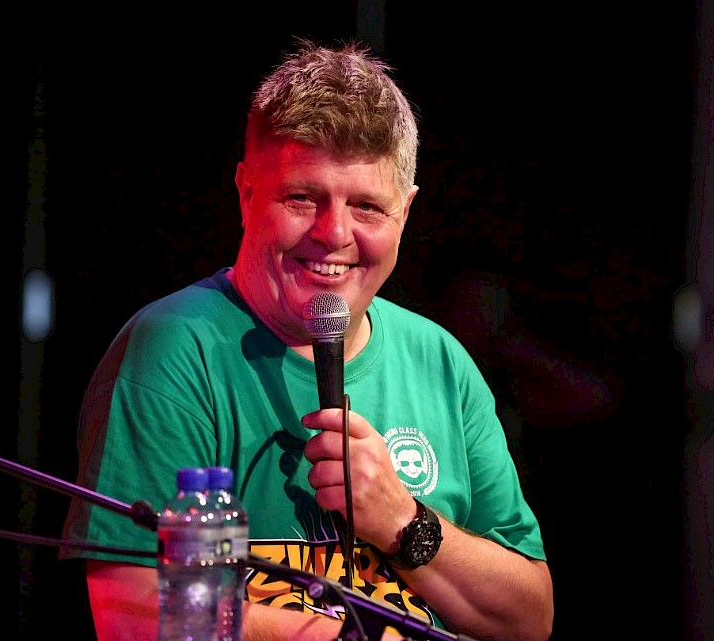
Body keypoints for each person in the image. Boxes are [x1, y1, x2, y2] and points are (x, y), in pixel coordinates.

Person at [59, 39, 554, 641]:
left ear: (406, 213)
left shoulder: (441, 360)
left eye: (367, 207)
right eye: (302, 197)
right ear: (246, 193)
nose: (333, 233)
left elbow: (529, 620)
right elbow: (133, 614)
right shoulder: (173, 349)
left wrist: (403, 522)